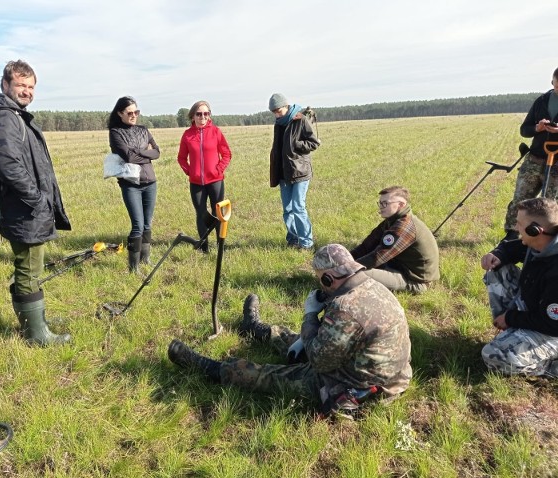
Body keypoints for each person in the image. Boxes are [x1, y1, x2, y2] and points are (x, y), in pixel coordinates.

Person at [167, 244, 412, 416]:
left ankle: (211, 367)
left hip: (356, 386)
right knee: (299, 340)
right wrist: (309, 334)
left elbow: (318, 360)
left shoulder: (345, 308)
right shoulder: (373, 286)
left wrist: (309, 314)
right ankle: (255, 329)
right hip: (384, 373)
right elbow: (337, 339)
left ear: (328, 279)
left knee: (270, 376)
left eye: (320, 280)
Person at [0, 60, 71, 346]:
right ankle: (36, 335)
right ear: (5, 85)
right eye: (21, 85)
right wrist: (37, 199)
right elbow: (9, 165)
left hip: (23, 206)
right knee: (29, 267)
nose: (26, 91)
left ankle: (34, 321)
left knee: (29, 267)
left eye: (31, 86)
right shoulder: (5, 117)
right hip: (23, 208)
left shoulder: (11, 114)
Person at [480, 197, 558, 376]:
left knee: (493, 355)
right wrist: (497, 254)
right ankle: (513, 333)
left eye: (519, 224)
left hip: (553, 328)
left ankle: (550, 367)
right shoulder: (542, 241)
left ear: (535, 230)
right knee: (497, 268)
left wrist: (511, 317)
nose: (516, 228)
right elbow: (511, 249)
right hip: (538, 309)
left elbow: (552, 324)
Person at [350, 186, 440, 294]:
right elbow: (366, 246)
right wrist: (346, 258)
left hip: (414, 281)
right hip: (397, 266)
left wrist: (346, 268)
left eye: (385, 203)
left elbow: (378, 257)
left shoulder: (405, 226)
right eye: (380, 203)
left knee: (355, 275)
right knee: (353, 268)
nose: (381, 207)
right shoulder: (392, 220)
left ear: (401, 204)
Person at [503, 67, 558, 241]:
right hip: (534, 159)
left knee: (549, 205)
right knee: (520, 199)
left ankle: (546, 239)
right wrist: (537, 128)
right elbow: (524, 130)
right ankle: (511, 237)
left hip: (557, 164)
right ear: (552, 82)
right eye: (557, 85)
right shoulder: (541, 101)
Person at [108, 96, 161, 272]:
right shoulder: (115, 132)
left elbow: (157, 152)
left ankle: (145, 259)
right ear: (120, 113)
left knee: (147, 224)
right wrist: (144, 152)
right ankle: (133, 267)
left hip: (150, 182)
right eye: (129, 113)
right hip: (130, 185)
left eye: (136, 112)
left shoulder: (143, 129)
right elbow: (128, 157)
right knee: (137, 225)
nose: (133, 115)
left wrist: (138, 151)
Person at [177, 100, 231, 253]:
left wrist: (218, 170)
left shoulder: (216, 132)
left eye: (206, 113)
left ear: (209, 115)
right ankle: (203, 247)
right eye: (199, 114)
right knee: (201, 214)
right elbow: (181, 158)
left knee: (218, 213)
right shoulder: (187, 135)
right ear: (193, 116)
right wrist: (190, 171)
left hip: (215, 181)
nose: (203, 117)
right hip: (196, 183)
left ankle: (221, 245)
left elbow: (226, 154)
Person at [268, 93, 321, 250]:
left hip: (300, 172)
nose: (277, 114)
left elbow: (313, 143)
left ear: (286, 106)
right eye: (274, 112)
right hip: (284, 173)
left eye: (278, 110)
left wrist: (296, 145)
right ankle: (293, 239)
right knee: (287, 210)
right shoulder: (278, 123)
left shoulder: (301, 119)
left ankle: (306, 243)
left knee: (298, 207)